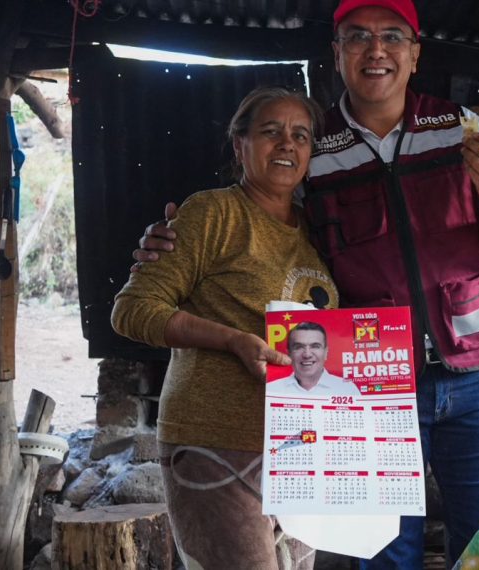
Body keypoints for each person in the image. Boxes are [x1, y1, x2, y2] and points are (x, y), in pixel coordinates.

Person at [133, 0, 479, 566]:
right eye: (357, 37)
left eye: (392, 37)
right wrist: (169, 241)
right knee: (383, 550)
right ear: (336, 53)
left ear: (415, 53)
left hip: (476, 374)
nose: (376, 50)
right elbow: (276, 228)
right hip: (373, 384)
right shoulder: (315, 147)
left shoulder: (458, 127)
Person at [113, 86, 338, 570]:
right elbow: (132, 309)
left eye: (300, 135)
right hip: (214, 442)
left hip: (298, 450)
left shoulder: (317, 231)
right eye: (271, 131)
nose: (287, 143)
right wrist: (232, 340)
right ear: (240, 145)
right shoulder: (213, 213)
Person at [269, 322, 362, 397]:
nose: (307, 354)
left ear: (326, 352)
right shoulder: (272, 390)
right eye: (299, 347)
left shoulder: (347, 389)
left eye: (315, 346)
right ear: (289, 353)